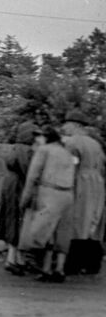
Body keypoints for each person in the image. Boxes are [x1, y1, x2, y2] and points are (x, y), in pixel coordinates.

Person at [20, 126, 77, 282]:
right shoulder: (66, 151)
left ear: (46, 138)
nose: (37, 140)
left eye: (40, 136)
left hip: (49, 191)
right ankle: (59, 269)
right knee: (62, 231)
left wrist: (25, 199)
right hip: (68, 194)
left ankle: (45, 268)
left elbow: (32, 176)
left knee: (45, 232)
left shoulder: (44, 150)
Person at [61, 111, 105, 275]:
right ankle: (93, 262)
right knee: (93, 220)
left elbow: (70, 165)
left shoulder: (72, 143)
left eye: (67, 123)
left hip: (80, 181)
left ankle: (74, 263)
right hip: (97, 182)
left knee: (78, 219)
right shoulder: (95, 143)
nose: (64, 127)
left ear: (75, 125)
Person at [0, 121, 37, 275]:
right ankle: (12, 259)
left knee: (12, 219)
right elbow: (28, 171)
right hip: (18, 186)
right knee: (17, 220)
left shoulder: (15, 147)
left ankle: (16, 258)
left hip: (10, 184)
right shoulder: (26, 150)